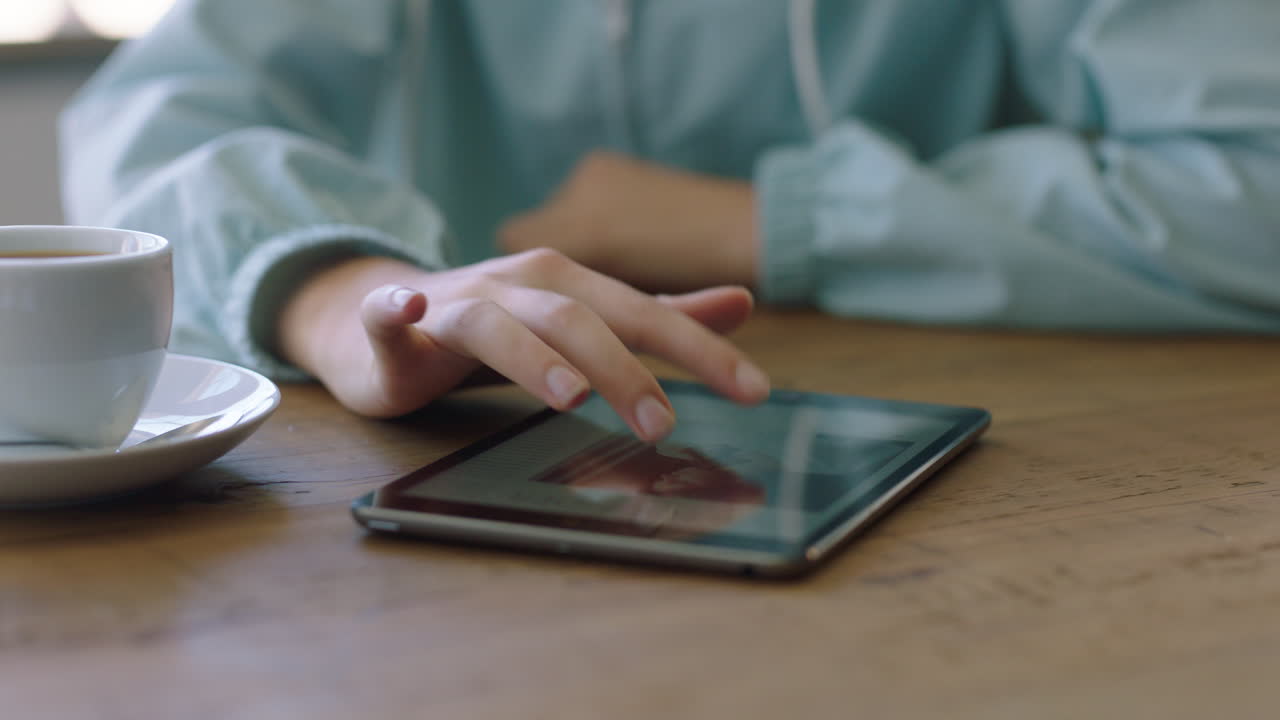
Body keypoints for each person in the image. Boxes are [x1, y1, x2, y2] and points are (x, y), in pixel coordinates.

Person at [60, 0, 1280, 443]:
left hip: (1015, 449)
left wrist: (764, 224)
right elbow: (149, 127)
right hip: (462, 468)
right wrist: (343, 294)